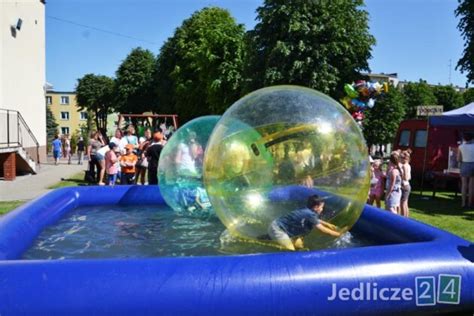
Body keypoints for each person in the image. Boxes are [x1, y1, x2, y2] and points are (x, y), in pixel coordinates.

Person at [268, 195, 346, 251]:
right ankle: (269, 239)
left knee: (300, 246)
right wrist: (339, 234)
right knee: (290, 251)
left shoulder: (308, 211)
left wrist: (328, 224)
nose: (322, 209)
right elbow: (322, 230)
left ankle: (269, 237)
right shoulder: (309, 214)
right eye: (321, 207)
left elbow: (315, 220)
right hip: (278, 229)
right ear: (316, 207)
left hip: (286, 228)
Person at [457, 132, 474, 208]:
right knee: (471, 186)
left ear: (464, 138)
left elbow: (458, 159)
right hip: (473, 164)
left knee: (464, 185)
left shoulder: (460, 147)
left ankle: (463, 203)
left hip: (464, 164)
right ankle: (470, 203)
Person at [400, 150, 412, 217]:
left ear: (405, 158)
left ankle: (403, 219)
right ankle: (407, 217)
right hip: (407, 185)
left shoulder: (404, 166)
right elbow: (409, 177)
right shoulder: (408, 165)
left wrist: (402, 175)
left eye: (401, 158)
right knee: (405, 203)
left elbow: (406, 178)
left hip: (404, 186)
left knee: (402, 203)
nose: (400, 159)